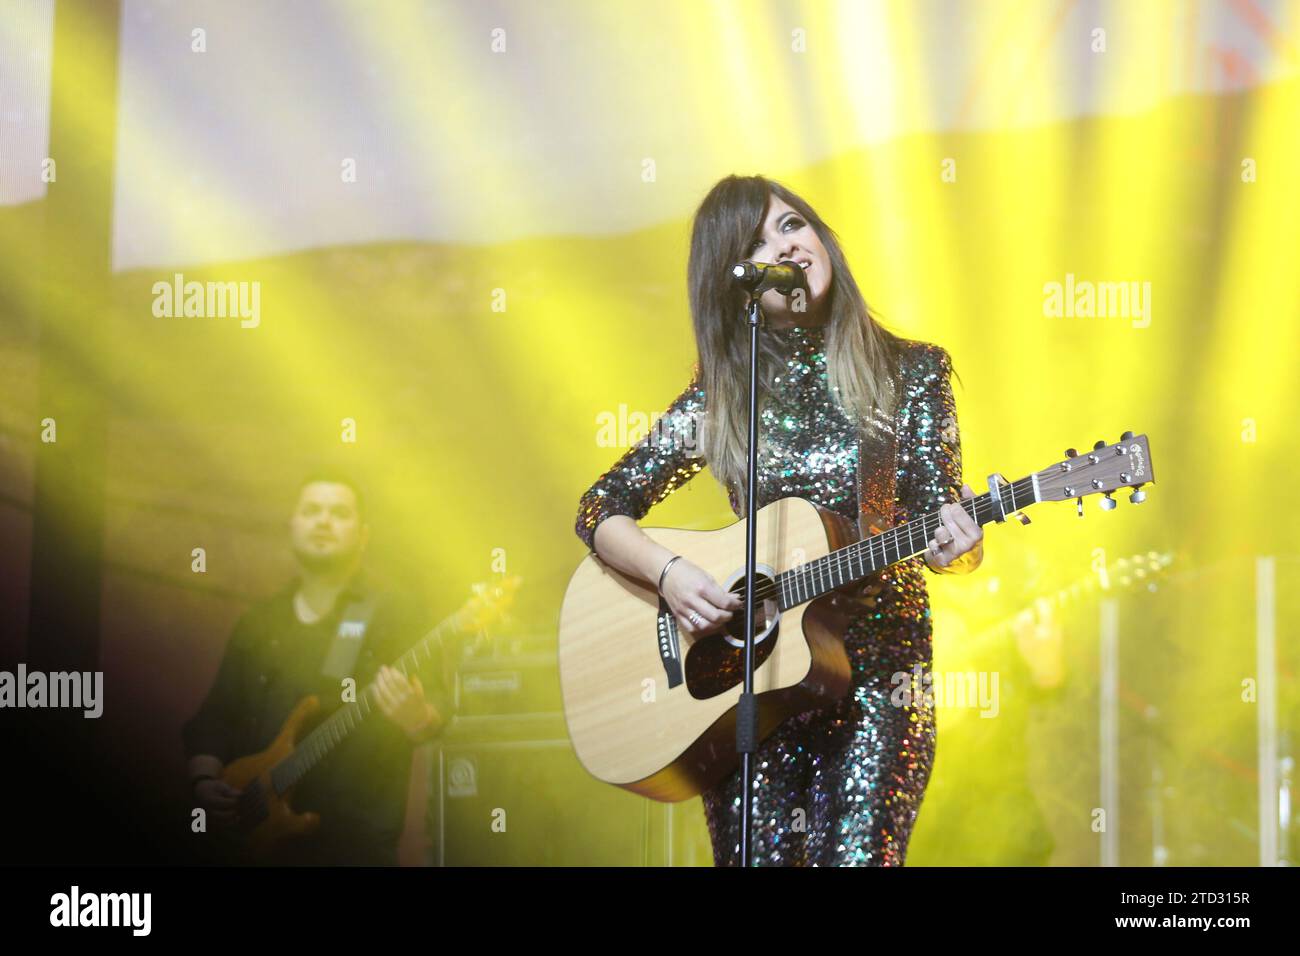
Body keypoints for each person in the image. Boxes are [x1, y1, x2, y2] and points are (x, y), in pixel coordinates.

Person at [575, 175, 983, 866]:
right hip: (749, 687)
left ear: (822, 236)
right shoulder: (724, 397)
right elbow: (601, 508)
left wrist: (958, 547)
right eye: (756, 244)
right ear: (735, 284)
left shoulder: (912, 373)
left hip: (878, 679)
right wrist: (672, 576)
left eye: (792, 225)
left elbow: (943, 522)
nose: (785, 246)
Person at [183, 473, 445, 865]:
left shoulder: (397, 614)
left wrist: (418, 717)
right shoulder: (259, 621)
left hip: (357, 848)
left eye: (339, 513)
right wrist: (205, 781)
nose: (323, 521)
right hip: (258, 843)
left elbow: (438, 706)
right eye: (311, 511)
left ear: (363, 534)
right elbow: (214, 716)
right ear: (293, 525)